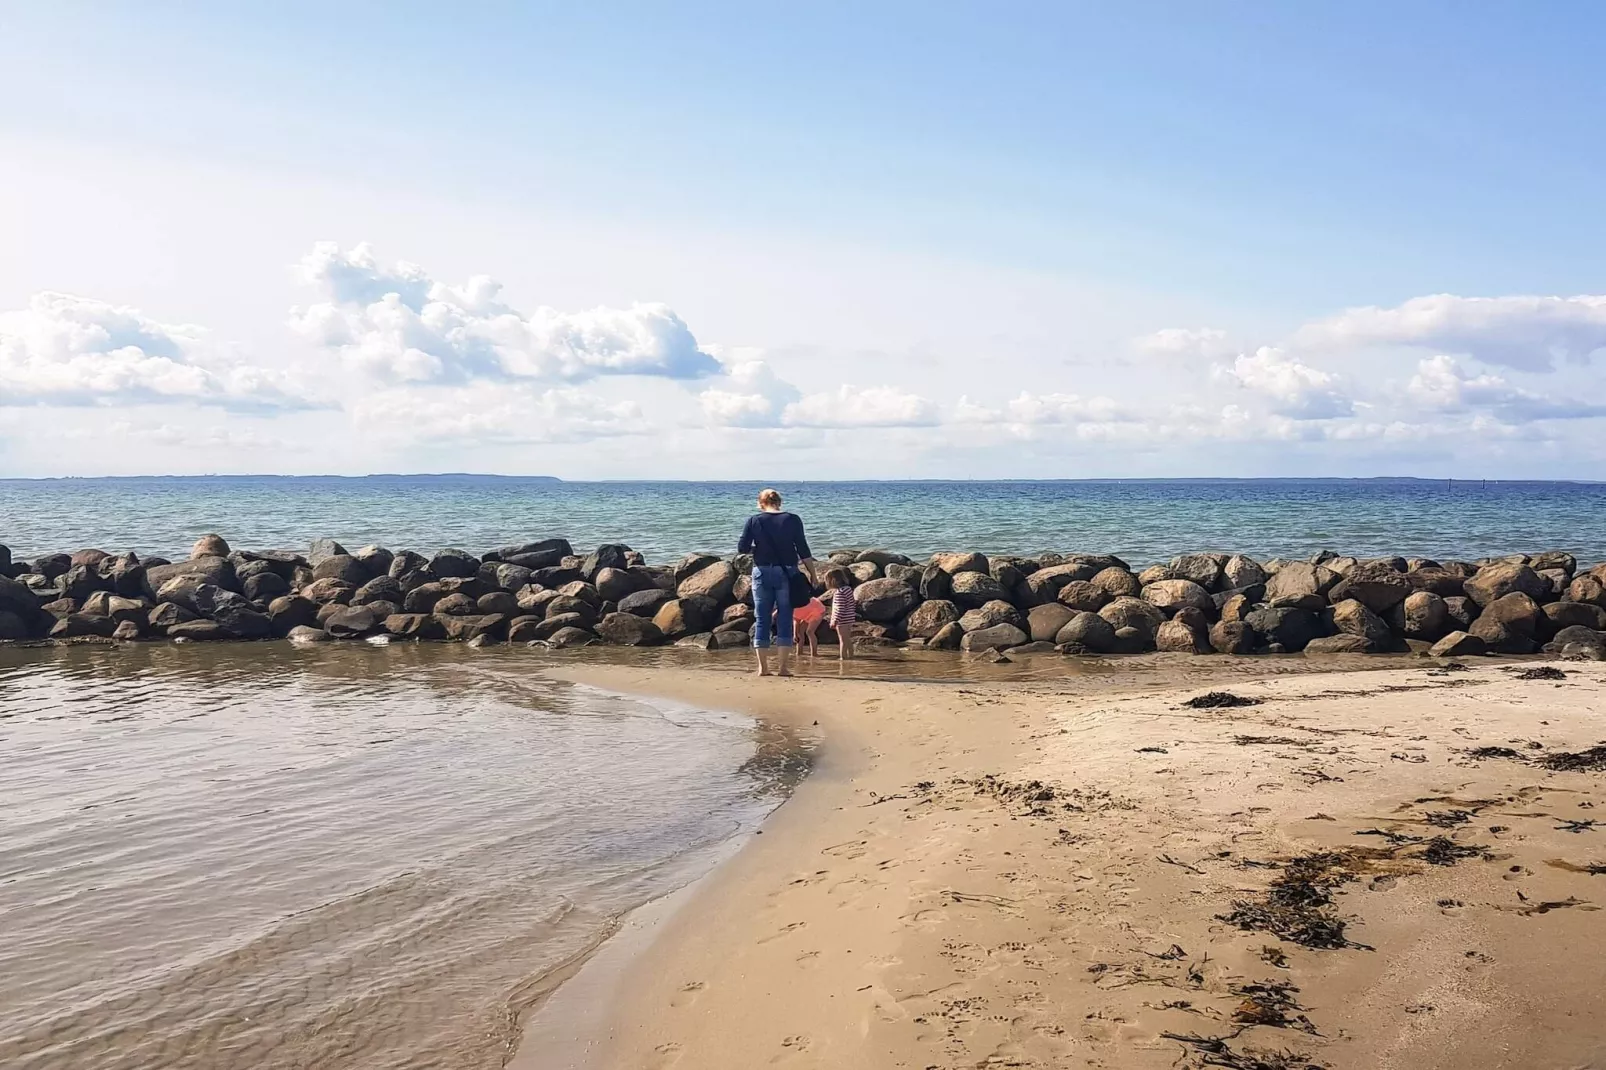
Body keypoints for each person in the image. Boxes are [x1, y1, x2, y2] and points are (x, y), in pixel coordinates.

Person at [737, 488, 818, 677]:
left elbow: (742, 548)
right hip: (787, 572)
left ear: (761, 503)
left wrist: (758, 549)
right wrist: (813, 574)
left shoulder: (754, 520)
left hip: (762, 572)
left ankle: (763, 668)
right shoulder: (793, 519)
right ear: (779, 501)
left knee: (762, 619)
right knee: (785, 619)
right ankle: (782, 668)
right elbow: (803, 549)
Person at [824, 566, 858, 661]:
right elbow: (852, 603)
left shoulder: (839, 592)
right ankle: (851, 655)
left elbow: (839, 608)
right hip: (849, 617)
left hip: (842, 619)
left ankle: (843, 657)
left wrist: (835, 620)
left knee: (842, 639)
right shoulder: (848, 589)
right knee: (847, 639)